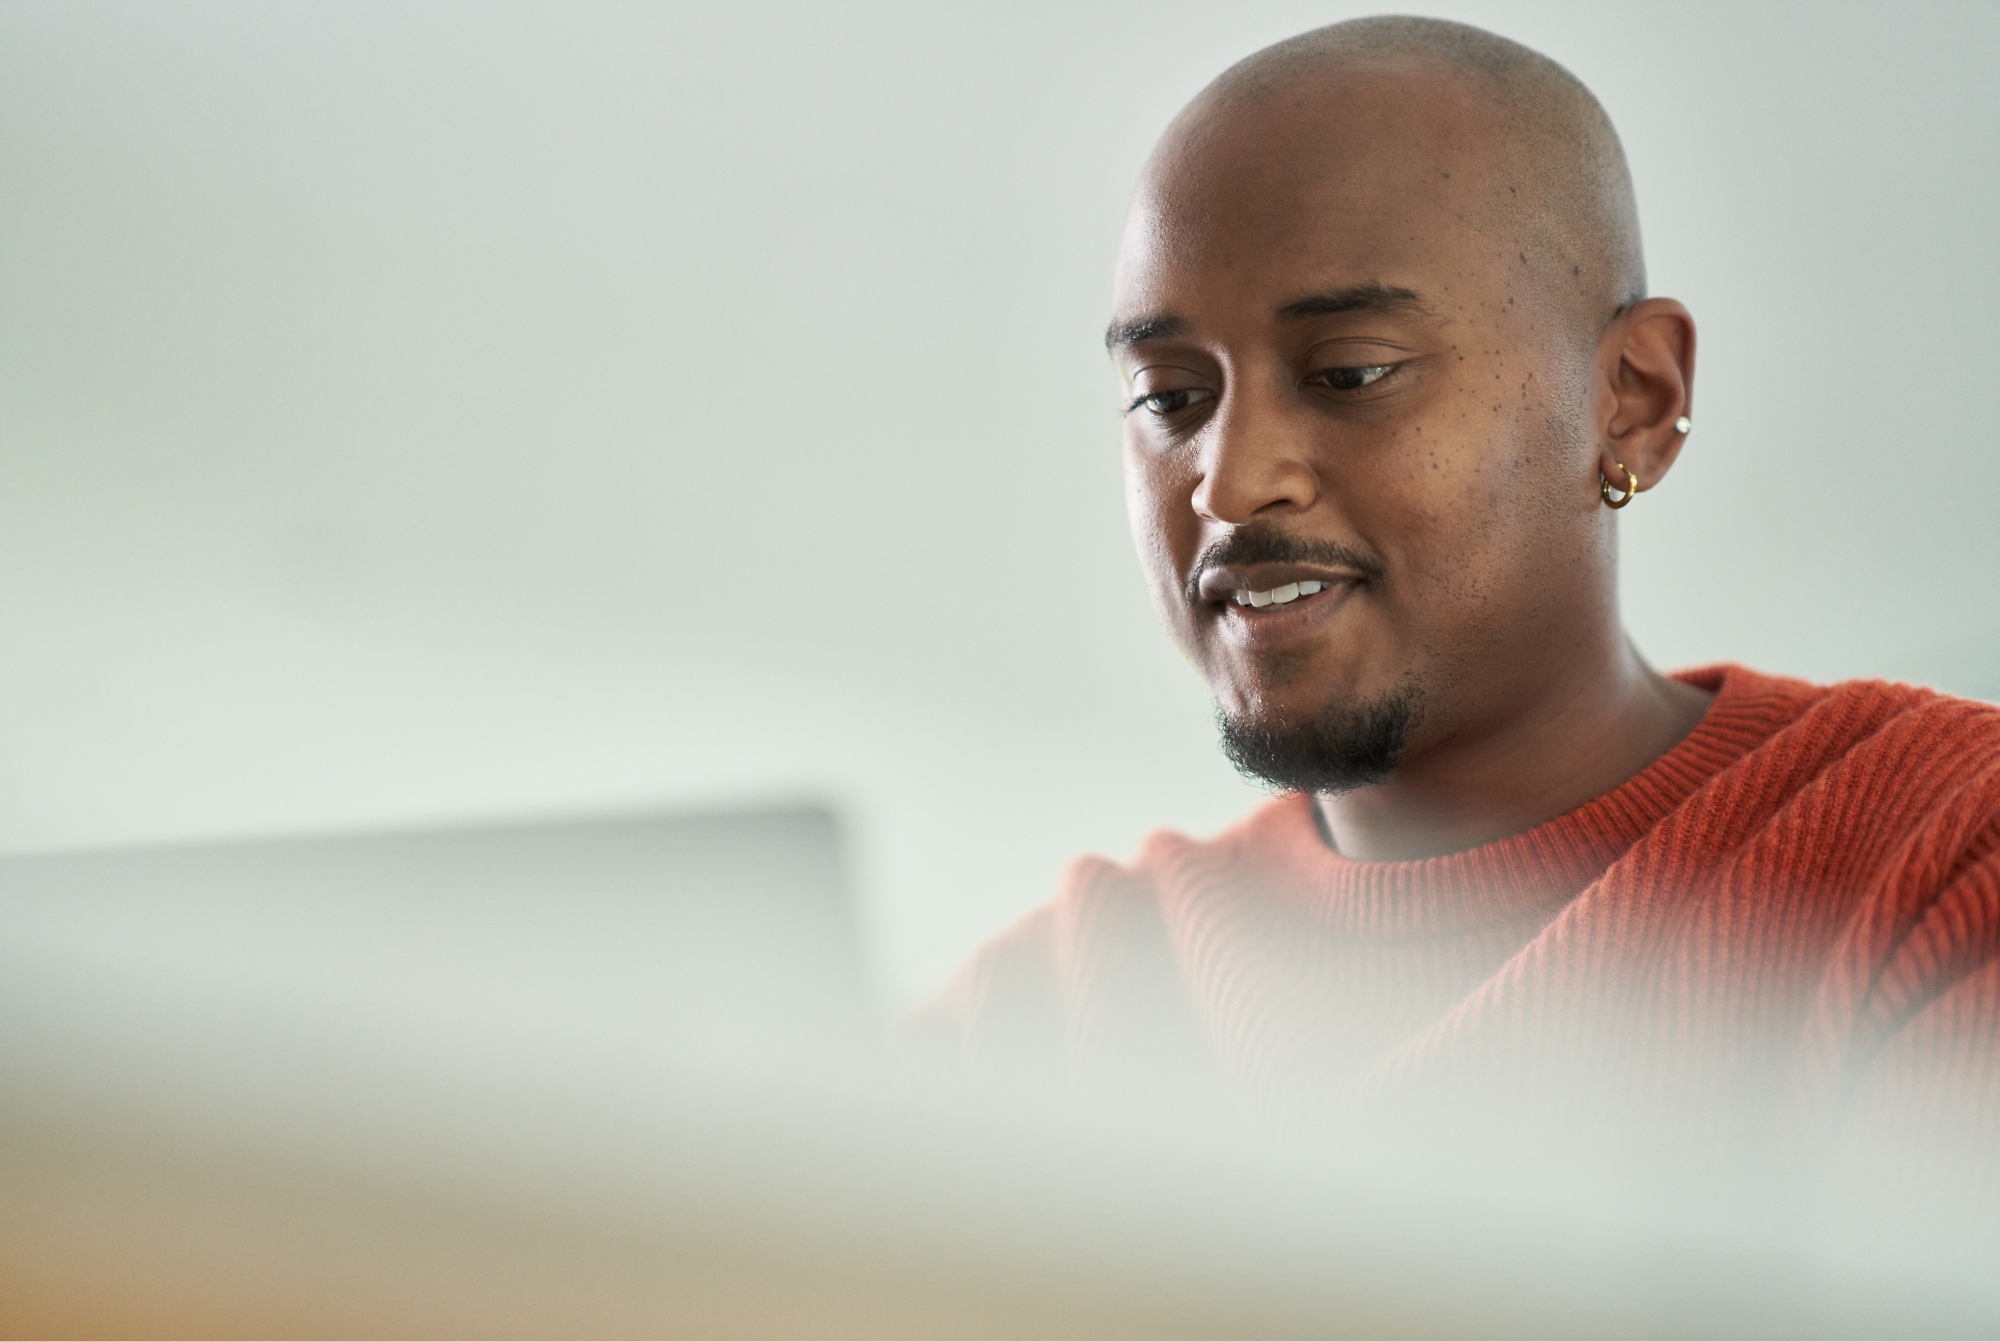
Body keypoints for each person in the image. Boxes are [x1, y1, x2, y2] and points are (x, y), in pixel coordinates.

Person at [913, 17, 2000, 1179]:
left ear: (1630, 398)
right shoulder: (1044, 1007)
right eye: (1171, 397)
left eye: (1348, 374)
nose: (1228, 483)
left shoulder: (1940, 851)